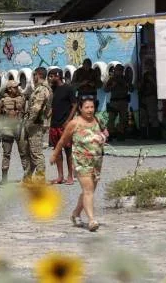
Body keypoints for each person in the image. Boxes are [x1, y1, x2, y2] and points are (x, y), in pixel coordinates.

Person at [50, 96, 108, 232]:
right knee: (88, 190)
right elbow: (62, 140)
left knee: (90, 191)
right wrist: (55, 155)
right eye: (86, 107)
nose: (90, 110)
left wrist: (103, 137)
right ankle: (92, 220)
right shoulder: (74, 123)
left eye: (92, 107)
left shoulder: (98, 119)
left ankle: (75, 214)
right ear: (80, 108)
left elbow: (105, 132)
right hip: (81, 161)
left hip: (96, 161)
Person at [21, 67, 52, 182]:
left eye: (34, 75)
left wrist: (28, 124)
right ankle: (27, 178)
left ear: (37, 75)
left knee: (36, 153)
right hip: (35, 124)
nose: (33, 78)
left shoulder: (42, 90)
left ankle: (40, 180)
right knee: (30, 153)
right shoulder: (40, 89)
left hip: (35, 125)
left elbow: (36, 109)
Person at [48, 69, 77, 185]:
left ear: (58, 76)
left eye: (51, 76)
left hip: (65, 126)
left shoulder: (68, 88)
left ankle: (70, 176)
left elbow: (74, 105)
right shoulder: (52, 89)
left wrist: (68, 121)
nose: (50, 78)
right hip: (54, 125)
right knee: (57, 151)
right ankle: (60, 176)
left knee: (68, 151)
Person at [0, 80, 27, 184]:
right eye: (15, 87)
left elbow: (26, 112)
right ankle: (4, 178)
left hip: (19, 128)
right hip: (7, 128)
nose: (17, 88)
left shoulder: (22, 98)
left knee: (24, 153)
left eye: (17, 87)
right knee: (6, 154)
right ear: (9, 89)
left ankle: (27, 177)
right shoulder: (3, 100)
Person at [104, 64, 131, 142]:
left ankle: (120, 134)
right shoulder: (112, 79)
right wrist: (112, 86)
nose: (118, 72)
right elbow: (106, 90)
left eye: (120, 70)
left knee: (123, 119)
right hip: (114, 102)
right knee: (111, 119)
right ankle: (110, 134)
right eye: (117, 70)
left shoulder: (126, 79)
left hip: (123, 101)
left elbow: (131, 89)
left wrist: (127, 85)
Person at [139, 59, 160, 136]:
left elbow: (157, 86)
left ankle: (155, 135)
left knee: (153, 116)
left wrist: (152, 80)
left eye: (148, 64)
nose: (146, 66)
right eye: (146, 65)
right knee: (143, 116)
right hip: (144, 96)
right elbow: (142, 86)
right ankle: (145, 134)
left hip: (152, 96)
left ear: (152, 65)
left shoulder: (156, 73)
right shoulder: (146, 74)